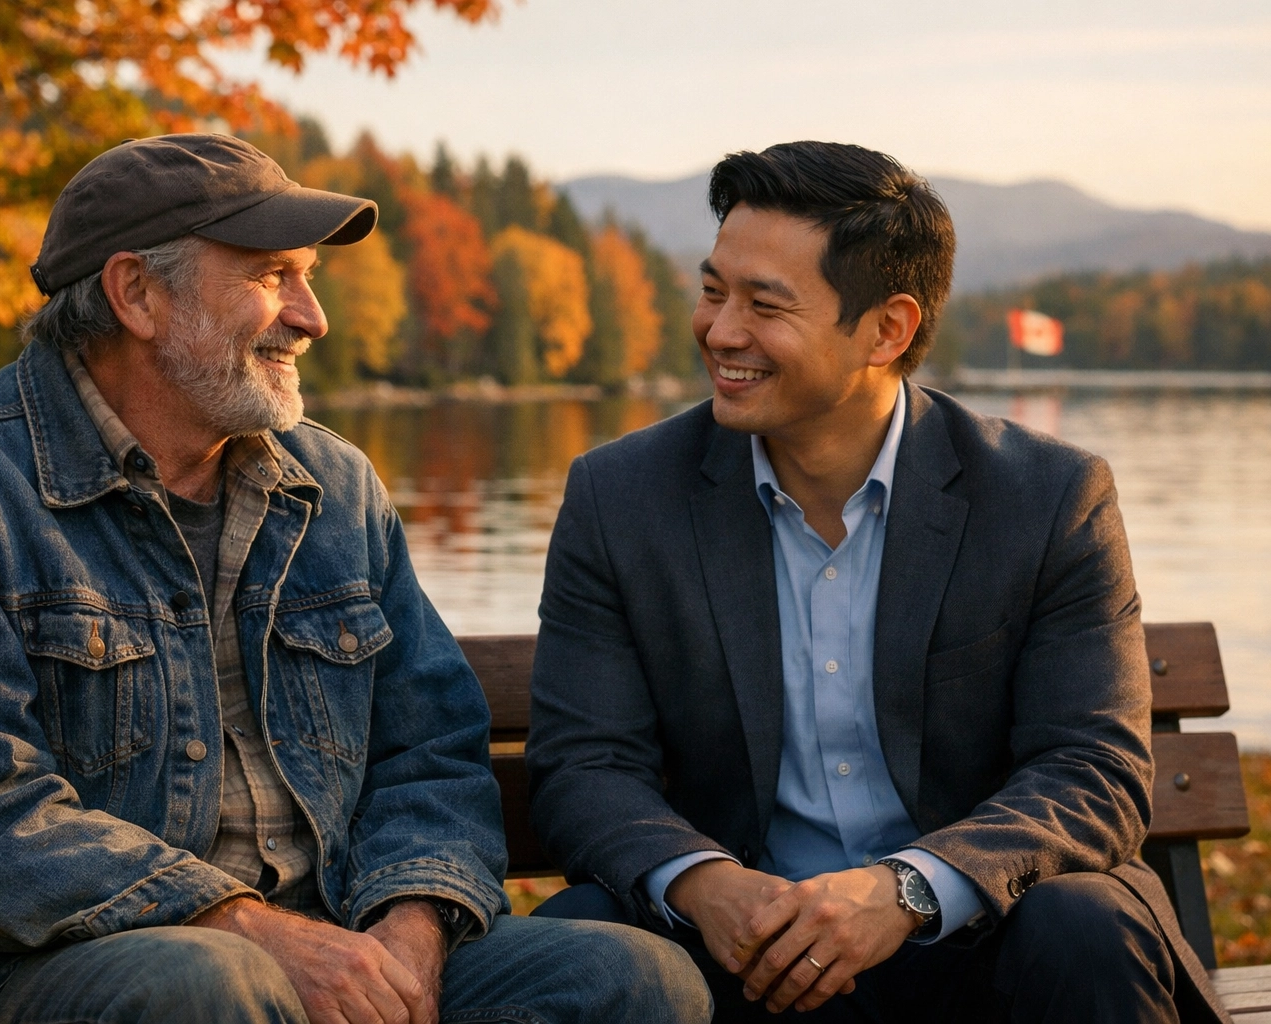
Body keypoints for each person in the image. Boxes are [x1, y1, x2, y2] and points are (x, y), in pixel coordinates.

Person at [0, 133, 712, 1024]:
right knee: (208, 987)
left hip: (334, 941)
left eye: (307, 278)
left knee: (634, 980)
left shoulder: (335, 488)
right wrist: (254, 934)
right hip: (33, 979)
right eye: (273, 276)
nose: (313, 318)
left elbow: (429, 751)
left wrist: (411, 933)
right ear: (137, 294)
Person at [525, 141, 1231, 1023]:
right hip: (737, 955)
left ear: (888, 330)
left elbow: (1093, 769)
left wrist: (906, 891)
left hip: (977, 942)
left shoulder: (1048, 497)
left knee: (1084, 923)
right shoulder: (621, 496)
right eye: (713, 291)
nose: (721, 331)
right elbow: (585, 764)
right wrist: (706, 885)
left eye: (764, 305)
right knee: (583, 942)